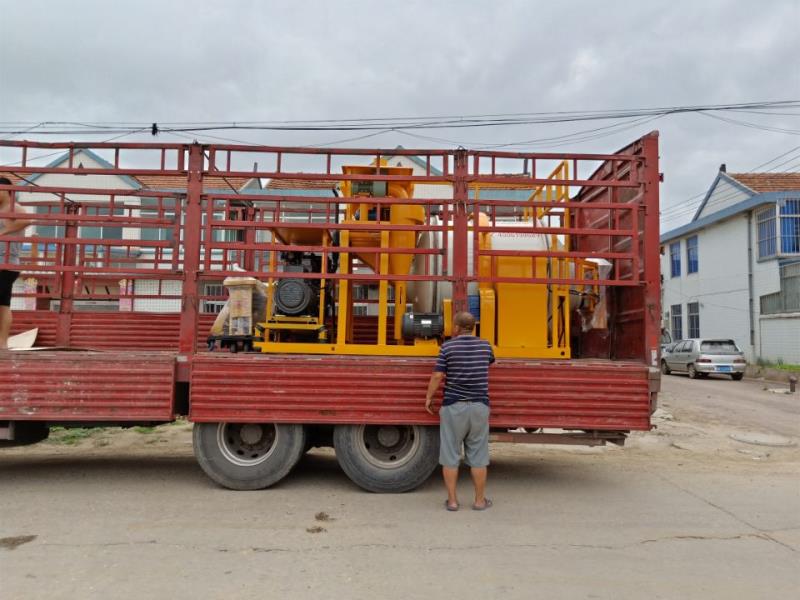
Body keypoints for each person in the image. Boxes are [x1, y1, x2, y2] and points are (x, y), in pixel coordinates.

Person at [425, 311, 495, 511]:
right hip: (479, 407)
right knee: (479, 457)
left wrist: (429, 397)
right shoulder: (485, 346)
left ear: (456, 327)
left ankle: (453, 502)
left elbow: (438, 375)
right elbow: (490, 362)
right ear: (473, 327)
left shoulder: (447, 347)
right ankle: (479, 501)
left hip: (454, 407)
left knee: (450, 455)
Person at [0, 177, 31, 349]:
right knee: (3, 305)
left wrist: (4, 232)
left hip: (6, 263)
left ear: (6, 190)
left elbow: (27, 220)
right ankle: (2, 344)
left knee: (3, 305)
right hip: (5, 264)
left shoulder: (13, 208)